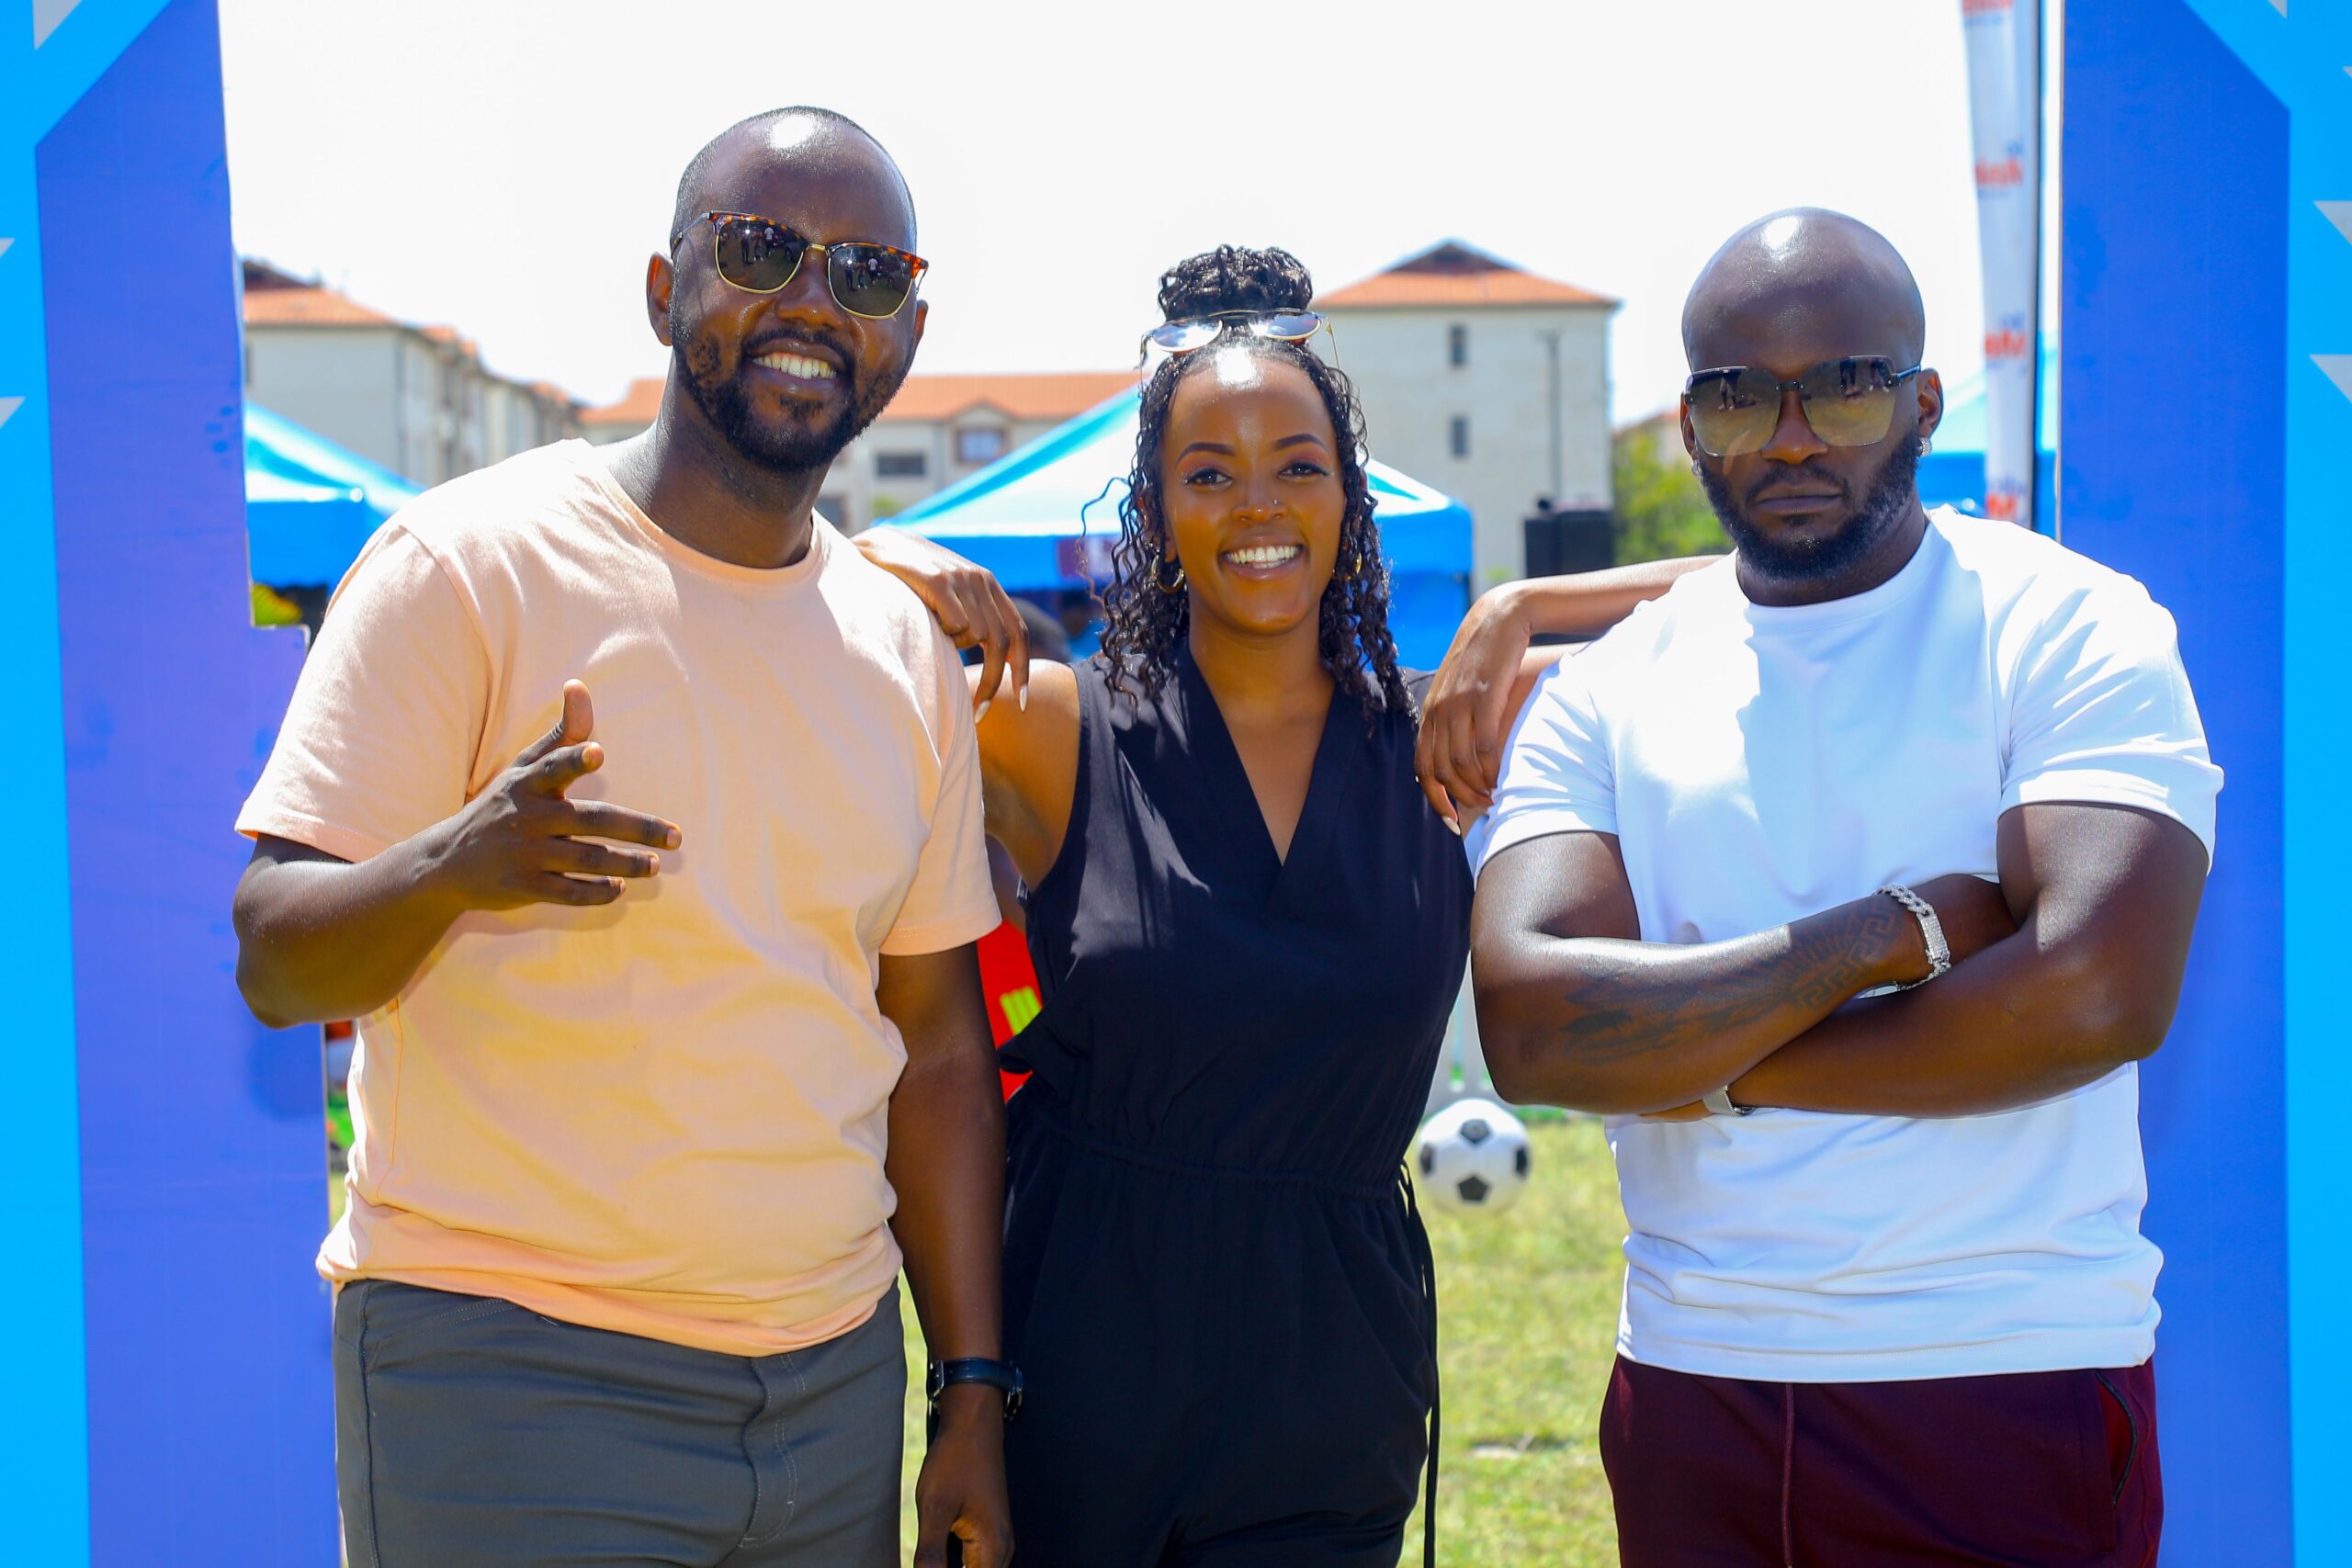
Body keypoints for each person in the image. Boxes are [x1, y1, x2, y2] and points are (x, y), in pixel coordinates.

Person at [232, 107, 1013, 1568]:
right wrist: (456, 867)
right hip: (511, 1377)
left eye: (866, 273)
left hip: (835, 1384)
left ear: (903, 338)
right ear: (668, 292)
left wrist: (969, 1386)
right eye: (764, 249)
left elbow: (941, 1047)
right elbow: (276, 952)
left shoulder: (901, 653)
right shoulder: (463, 565)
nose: (811, 302)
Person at [854, 244, 1694, 1568]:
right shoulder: (1052, 726)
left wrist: (1521, 606)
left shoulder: (1443, 738)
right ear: (1157, 507)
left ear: (1350, 496)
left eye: (1298, 465)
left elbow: (1760, 583)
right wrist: (907, 553)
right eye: (1210, 472)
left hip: (1332, 1378)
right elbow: (811, 578)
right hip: (1079, 1369)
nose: (1259, 504)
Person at [1461, 209, 2216, 1567]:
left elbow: (2098, 991)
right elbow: (1532, 1027)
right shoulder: (1611, 687)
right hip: (1696, 1380)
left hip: (2003, 1371)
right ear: (1690, 427)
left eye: (1845, 387)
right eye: (1741, 397)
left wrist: (1708, 1061)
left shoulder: (2068, 624)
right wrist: (1891, 934)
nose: (1794, 435)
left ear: (1922, 402)